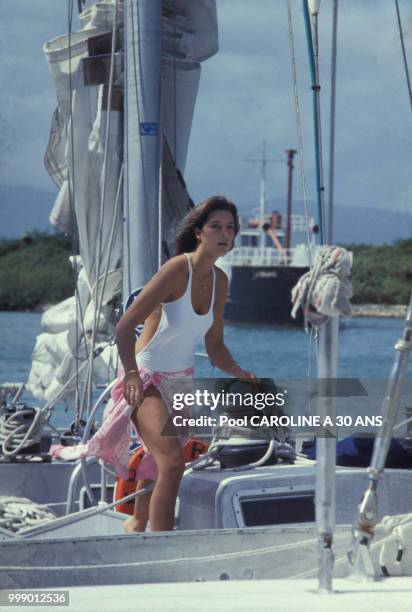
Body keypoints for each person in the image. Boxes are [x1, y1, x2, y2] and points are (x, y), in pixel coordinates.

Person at [115, 195, 256, 533]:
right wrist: (131, 375)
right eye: (216, 227)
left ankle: (137, 524)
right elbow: (123, 328)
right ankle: (164, 543)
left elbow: (215, 345)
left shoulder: (220, 281)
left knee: (158, 458)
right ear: (198, 231)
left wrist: (240, 373)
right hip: (145, 376)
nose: (225, 234)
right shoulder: (178, 269)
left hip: (179, 381)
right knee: (173, 462)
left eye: (231, 228)